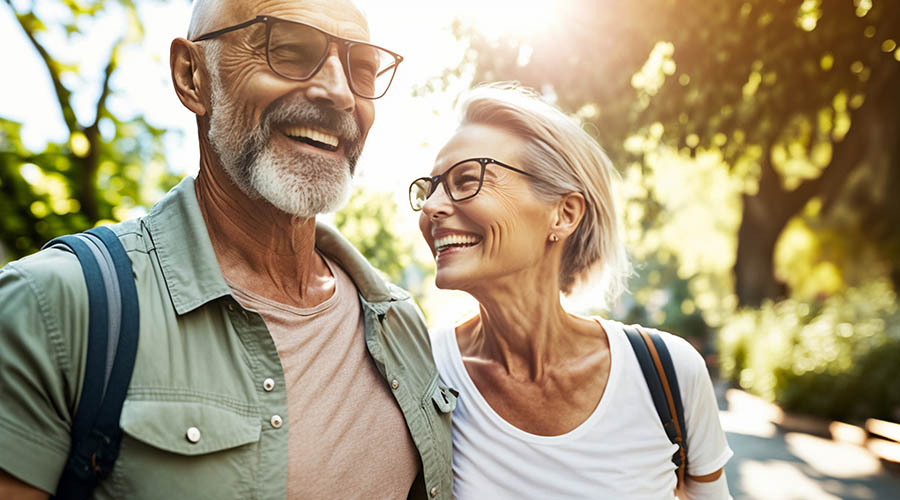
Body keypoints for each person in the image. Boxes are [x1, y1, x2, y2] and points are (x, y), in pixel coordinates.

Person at [0, 0, 454, 498]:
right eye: (287, 50)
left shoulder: (403, 327)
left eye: (361, 69)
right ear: (192, 76)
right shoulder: (55, 307)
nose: (338, 92)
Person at [408, 83, 733, 499]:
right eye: (429, 188)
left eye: (466, 179)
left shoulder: (669, 373)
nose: (433, 206)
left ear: (564, 213)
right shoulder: (421, 374)